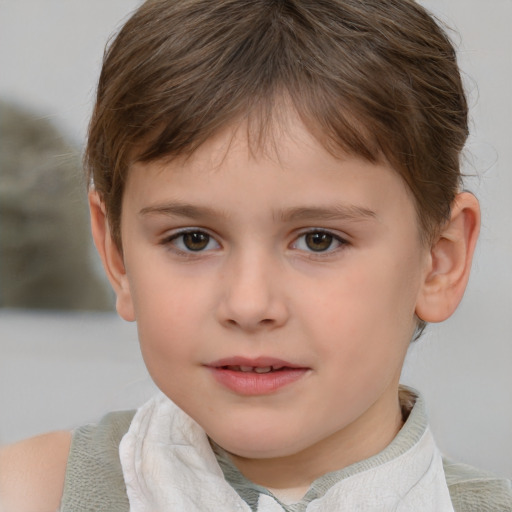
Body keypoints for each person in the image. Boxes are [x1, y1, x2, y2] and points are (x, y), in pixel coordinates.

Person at [0, 0, 510, 510]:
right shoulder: (27, 494)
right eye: (193, 239)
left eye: (319, 240)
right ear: (117, 254)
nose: (248, 304)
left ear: (440, 261)